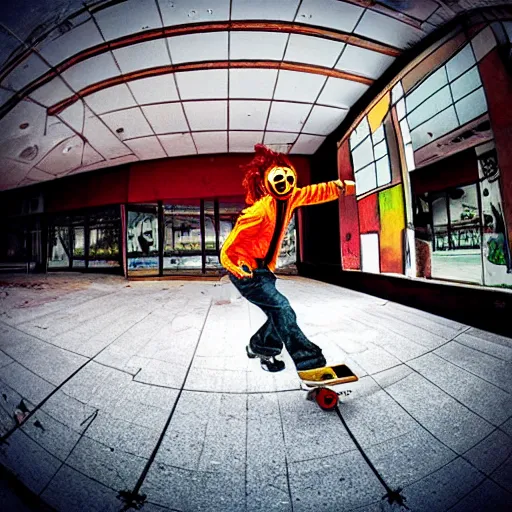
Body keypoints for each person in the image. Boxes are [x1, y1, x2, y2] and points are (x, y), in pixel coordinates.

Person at [220, 144, 355, 372]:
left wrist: (342, 188)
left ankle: (260, 346)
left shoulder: (291, 197)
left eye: (288, 177)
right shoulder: (258, 212)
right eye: (278, 178)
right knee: (283, 308)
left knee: (278, 313)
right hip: (246, 272)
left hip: (265, 271)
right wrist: (236, 266)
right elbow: (228, 247)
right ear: (266, 183)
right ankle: (308, 361)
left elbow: (316, 192)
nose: (285, 183)